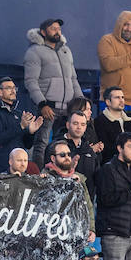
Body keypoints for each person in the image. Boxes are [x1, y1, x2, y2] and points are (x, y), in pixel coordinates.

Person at [22, 18, 79, 165]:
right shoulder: (34, 51)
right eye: (53, 28)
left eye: (59, 28)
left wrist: (81, 102)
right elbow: (31, 81)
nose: (57, 31)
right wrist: (42, 104)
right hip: (48, 107)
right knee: (41, 144)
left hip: (68, 108)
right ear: (43, 32)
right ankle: (40, 176)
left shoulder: (66, 51)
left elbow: (73, 79)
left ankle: (61, 174)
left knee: (63, 145)